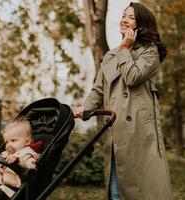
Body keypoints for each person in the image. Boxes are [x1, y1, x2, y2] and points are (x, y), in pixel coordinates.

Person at [73, 2, 173, 200]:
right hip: (116, 129)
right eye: (124, 15)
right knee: (116, 189)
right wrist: (85, 108)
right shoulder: (110, 55)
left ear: (141, 24)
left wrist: (125, 48)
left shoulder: (150, 51)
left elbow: (132, 77)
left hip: (140, 133)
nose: (124, 20)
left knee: (144, 189)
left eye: (131, 17)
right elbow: (98, 89)